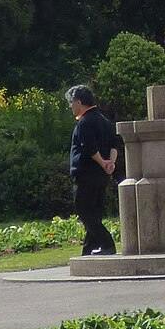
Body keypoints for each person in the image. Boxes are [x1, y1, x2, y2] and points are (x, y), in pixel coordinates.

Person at [66, 85, 120, 256]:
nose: (70, 106)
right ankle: (88, 250)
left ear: (79, 102)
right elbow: (114, 145)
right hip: (101, 176)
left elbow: (89, 147)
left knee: (84, 210)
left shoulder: (84, 122)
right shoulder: (105, 121)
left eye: (71, 102)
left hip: (86, 174)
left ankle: (107, 244)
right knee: (94, 213)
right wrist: (110, 162)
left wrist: (102, 162)